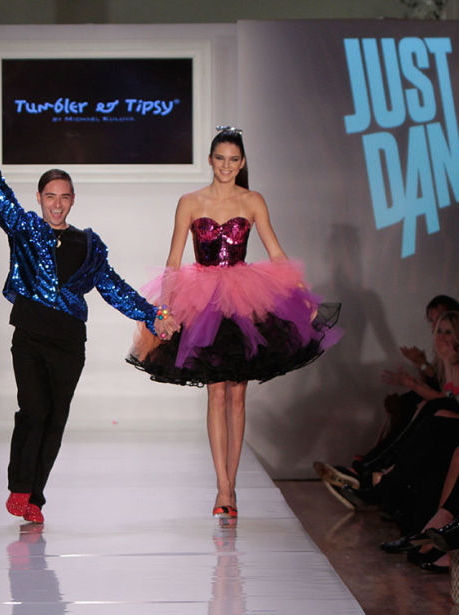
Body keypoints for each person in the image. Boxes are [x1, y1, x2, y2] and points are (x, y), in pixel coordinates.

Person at [0, 108, 171, 524]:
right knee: (33, 410)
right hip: (30, 335)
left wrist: (151, 314)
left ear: (73, 200)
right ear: (39, 198)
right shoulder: (25, 229)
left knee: (55, 419)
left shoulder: (89, 245)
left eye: (65, 197)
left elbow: (113, 287)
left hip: (70, 342)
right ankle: (20, 486)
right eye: (50, 196)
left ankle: (35, 498)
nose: (57, 204)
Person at [127, 127, 340, 518]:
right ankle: (222, 488)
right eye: (221, 159)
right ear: (211, 160)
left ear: (242, 163)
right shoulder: (190, 202)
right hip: (203, 301)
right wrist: (165, 309)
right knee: (217, 392)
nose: (226, 166)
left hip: (243, 301)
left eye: (234, 160)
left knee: (237, 394)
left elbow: (276, 253)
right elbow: (174, 259)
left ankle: (232, 487)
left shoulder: (252, 200)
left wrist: (302, 293)